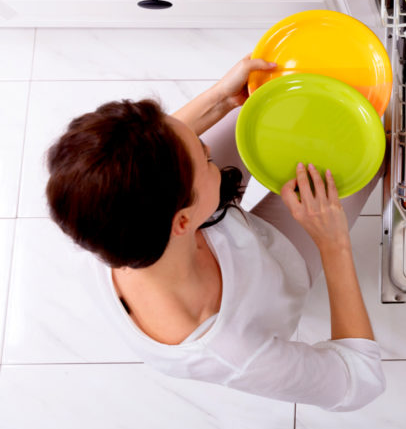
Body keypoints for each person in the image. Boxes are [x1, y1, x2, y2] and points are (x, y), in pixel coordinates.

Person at [44, 55, 385, 411]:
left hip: (219, 228)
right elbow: (358, 382)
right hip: (275, 268)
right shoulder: (230, 350)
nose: (211, 155)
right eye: (206, 159)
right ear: (182, 222)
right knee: (370, 150)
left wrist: (219, 99)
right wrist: (333, 244)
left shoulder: (95, 209)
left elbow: (148, 153)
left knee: (266, 101)